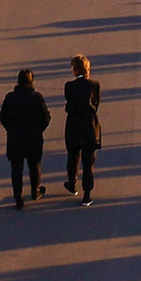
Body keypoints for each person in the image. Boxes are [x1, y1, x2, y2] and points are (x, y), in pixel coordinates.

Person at [0, 69, 50, 209]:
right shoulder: (37, 97)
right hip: (33, 136)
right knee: (35, 165)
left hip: (15, 136)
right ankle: (35, 191)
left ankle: (18, 198)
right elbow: (45, 118)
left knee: (16, 167)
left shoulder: (10, 97)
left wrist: (10, 128)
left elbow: (3, 117)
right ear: (31, 81)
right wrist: (39, 129)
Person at [62, 57, 102, 204]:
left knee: (73, 156)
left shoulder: (69, 86)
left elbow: (69, 103)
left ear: (75, 69)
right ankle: (87, 195)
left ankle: (72, 184)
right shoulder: (94, 85)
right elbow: (96, 105)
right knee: (88, 161)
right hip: (89, 126)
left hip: (73, 125)